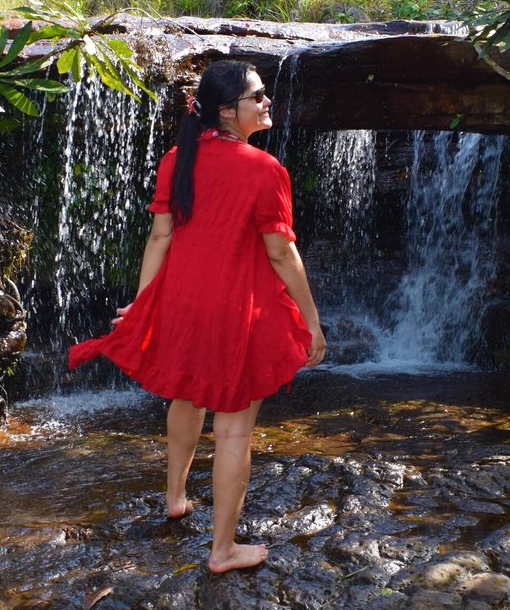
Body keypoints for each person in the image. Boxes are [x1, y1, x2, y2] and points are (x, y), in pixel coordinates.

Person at [68, 60, 326, 573]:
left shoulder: (176, 159)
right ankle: (223, 550)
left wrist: (145, 303)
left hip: (182, 301)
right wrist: (312, 322)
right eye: (257, 96)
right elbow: (281, 255)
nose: (266, 102)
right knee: (233, 431)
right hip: (234, 309)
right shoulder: (266, 171)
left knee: (186, 397)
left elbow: (159, 237)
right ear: (228, 111)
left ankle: (176, 498)